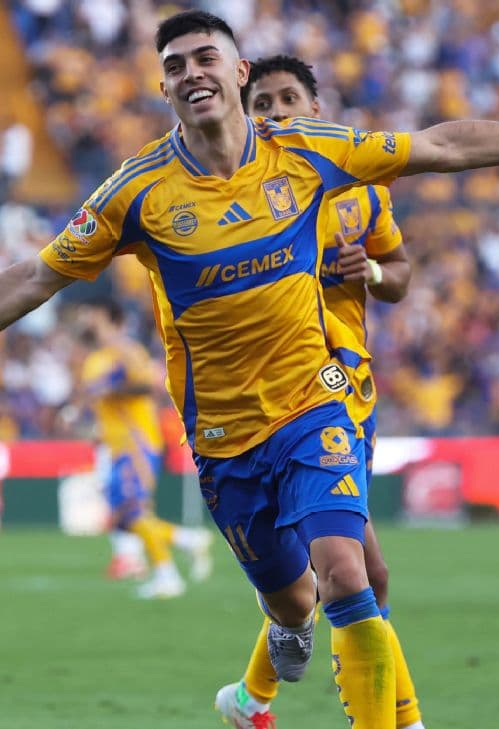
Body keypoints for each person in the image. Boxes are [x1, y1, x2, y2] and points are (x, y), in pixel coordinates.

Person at [0, 10, 499, 725]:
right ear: (164, 91)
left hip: (315, 402)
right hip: (226, 439)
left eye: (204, 58)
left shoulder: (310, 154)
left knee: (351, 571)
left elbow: (440, 145)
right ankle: (274, 654)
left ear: (236, 70)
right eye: (173, 67)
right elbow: (36, 274)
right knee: (292, 599)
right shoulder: (137, 194)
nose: (191, 74)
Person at [214, 54, 419, 729]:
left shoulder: (362, 184)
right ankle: (401, 720)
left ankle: (252, 697)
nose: (275, 113)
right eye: (262, 103)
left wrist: (376, 277)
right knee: (357, 571)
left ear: (316, 107)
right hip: (296, 396)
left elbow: (400, 271)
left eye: (287, 99)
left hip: (352, 386)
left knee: (349, 574)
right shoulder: (246, 192)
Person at [72, 299, 212, 598]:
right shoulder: (95, 359)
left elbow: (148, 387)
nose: (87, 321)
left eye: (93, 315)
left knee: (133, 512)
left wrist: (113, 390)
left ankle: (167, 575)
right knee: (122, 517)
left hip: (136, 442)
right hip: (115, 445)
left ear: (108, 318)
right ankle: (187, 540)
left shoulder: (127, 352)